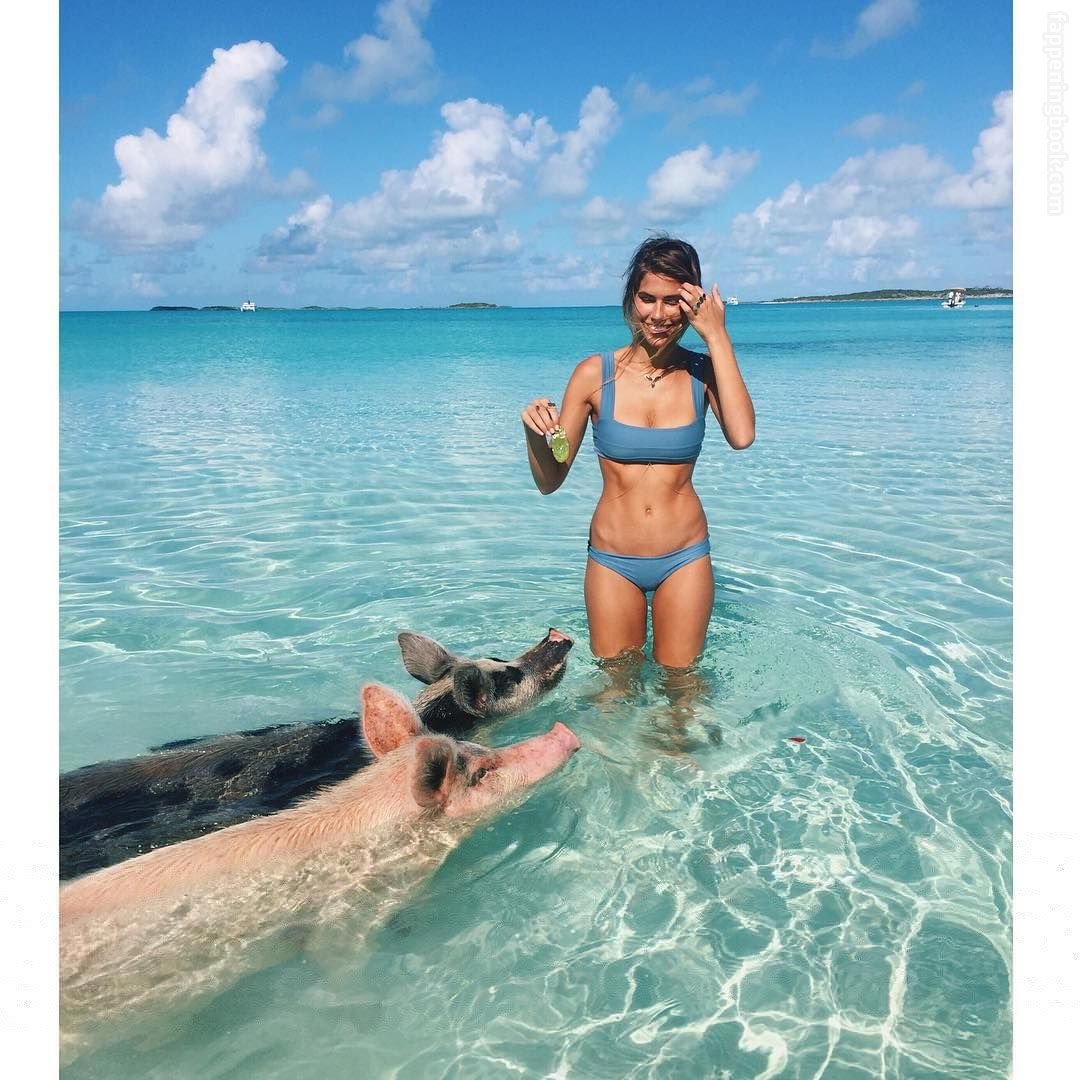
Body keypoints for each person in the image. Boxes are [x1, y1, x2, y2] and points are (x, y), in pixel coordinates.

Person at [521, 236, 755, 671]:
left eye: (673, 301)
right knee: (614, 689)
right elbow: (549, 481)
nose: (659, 315)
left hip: (685, 556)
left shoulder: (703, 372)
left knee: (683, 689)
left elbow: (742, 436)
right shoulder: (594, 375)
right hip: (612, 559)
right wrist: (535, 434)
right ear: (631, 298)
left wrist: (717, 335)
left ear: (693, 303)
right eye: (648, 298)